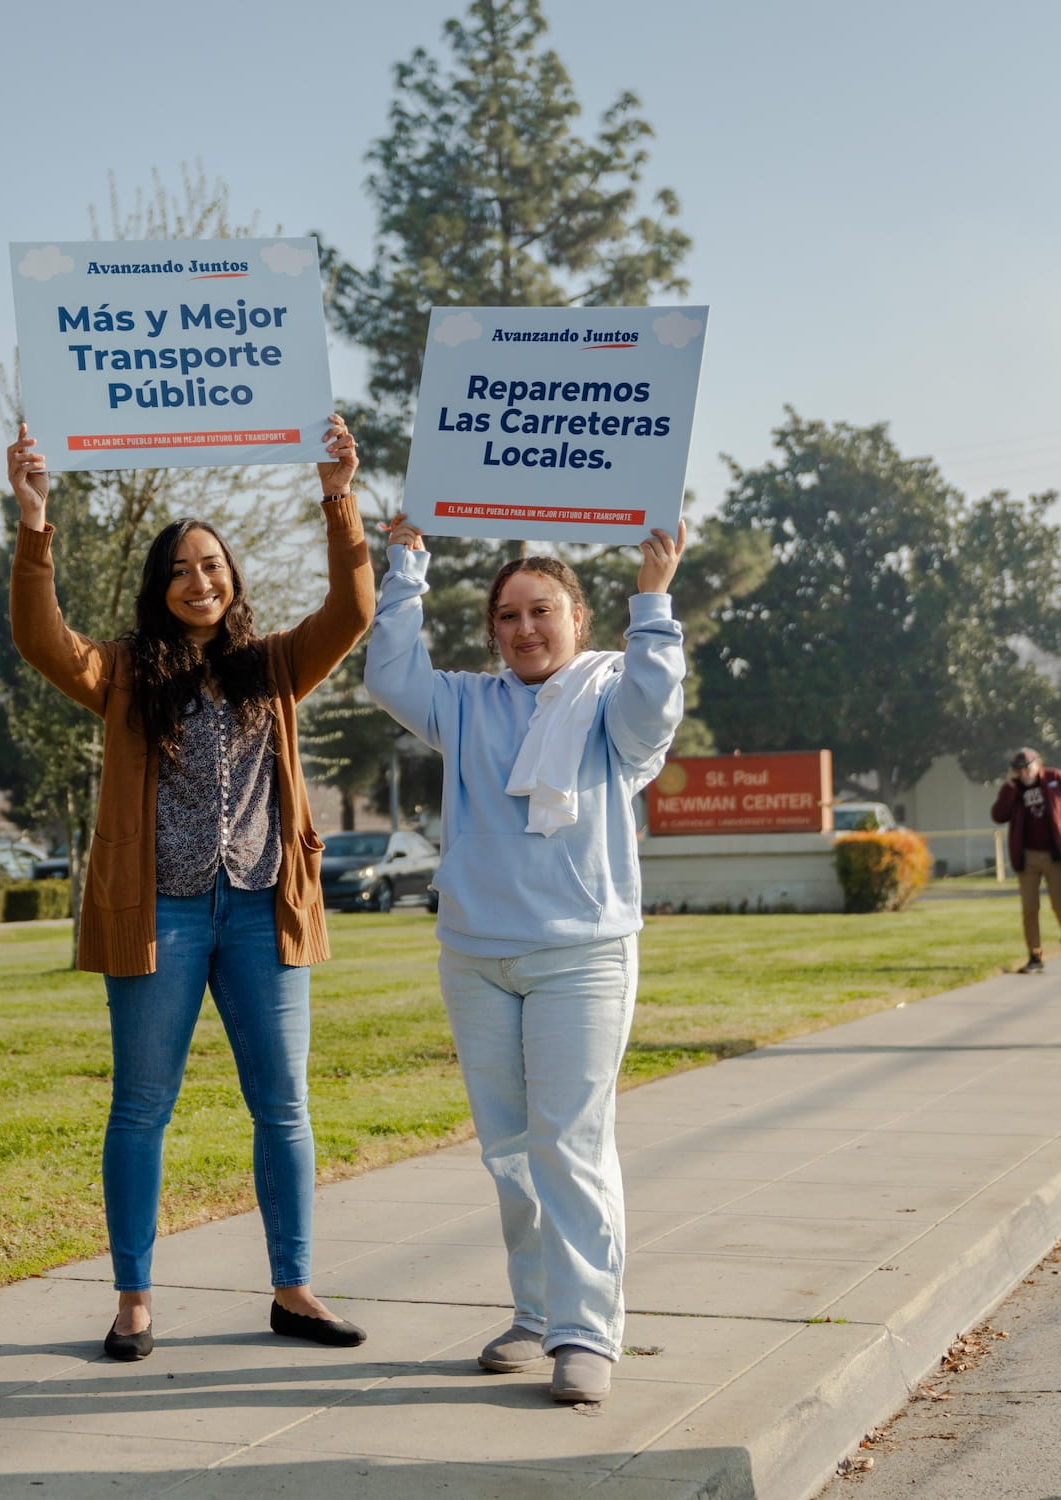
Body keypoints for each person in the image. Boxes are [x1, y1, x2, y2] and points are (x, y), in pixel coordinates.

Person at [6, 416, 374, 1362]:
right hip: (159, 918)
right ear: (158, 587)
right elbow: (41, 639)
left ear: (233, 579)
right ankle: (134, 1300)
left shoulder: (276, 667)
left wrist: (339, 496)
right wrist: (36, 522)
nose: (199, 580)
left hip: (260, 909)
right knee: (140, 1107)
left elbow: (353, 612)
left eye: (212, 565)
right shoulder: (126, 674)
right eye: (180, 568)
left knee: (283, 1104)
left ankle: (293, 1290)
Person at [364, 513, 686, 1406]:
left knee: (571, 1142)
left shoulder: (612, 700)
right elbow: (388, 674)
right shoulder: (466, 703)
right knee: (509, 1149)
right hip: (476, 958)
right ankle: (537, 1312)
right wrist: (406, 567)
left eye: (541, 611)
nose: (525, 629)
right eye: (507, 616)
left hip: (580, 959)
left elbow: (657, 705)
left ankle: (588, 1333)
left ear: (579, 620)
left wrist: (654, 600)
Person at [990, 748, 1061, 973]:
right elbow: (998, 815)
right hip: (1027, 856)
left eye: (1028, 766)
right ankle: (1035, 956)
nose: (1024, 772)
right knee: (1029, 908)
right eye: (1019, 769)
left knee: (1060, 905)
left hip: (1056, 854)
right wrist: (1009, 787)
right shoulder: (1013, 789)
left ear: (1038, 764)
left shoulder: (1056, 779)